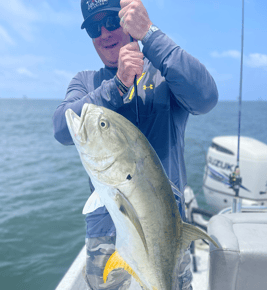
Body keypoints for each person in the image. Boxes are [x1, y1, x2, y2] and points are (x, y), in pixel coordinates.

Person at [53, 0, 218, 289]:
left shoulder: (165, 76)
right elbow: (61, 127)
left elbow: (205, 97)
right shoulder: (86, 82)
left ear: (127, 21)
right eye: (94, 27)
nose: (104, 33)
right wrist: (116, 86)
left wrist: (150, 34)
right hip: (105, 234)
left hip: (167, 230)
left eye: (111, 22)